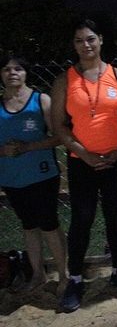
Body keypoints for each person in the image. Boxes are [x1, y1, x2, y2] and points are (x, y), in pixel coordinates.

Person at [50, 19, 117, 312]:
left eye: (90, 39)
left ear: (100, 40)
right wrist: (83, 153)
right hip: (81, 162)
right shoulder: (65, 80)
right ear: (73, 45)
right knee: (82, 219)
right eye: (78, 41)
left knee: (115, 215)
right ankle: (75, 278)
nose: (85, 45)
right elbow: (59, 126)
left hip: (116, 159)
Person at [0, 55, 67, 294]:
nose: (12, 73)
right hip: (11, 177)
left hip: (42, 174)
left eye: (18, 68)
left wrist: (28, 147)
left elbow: (59, 136)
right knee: (28, 226)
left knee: (49, 224)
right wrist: (4, 151)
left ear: (26, 73)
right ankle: (38, 274)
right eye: (6, 69)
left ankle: (63, 275)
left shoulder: (41, 101)